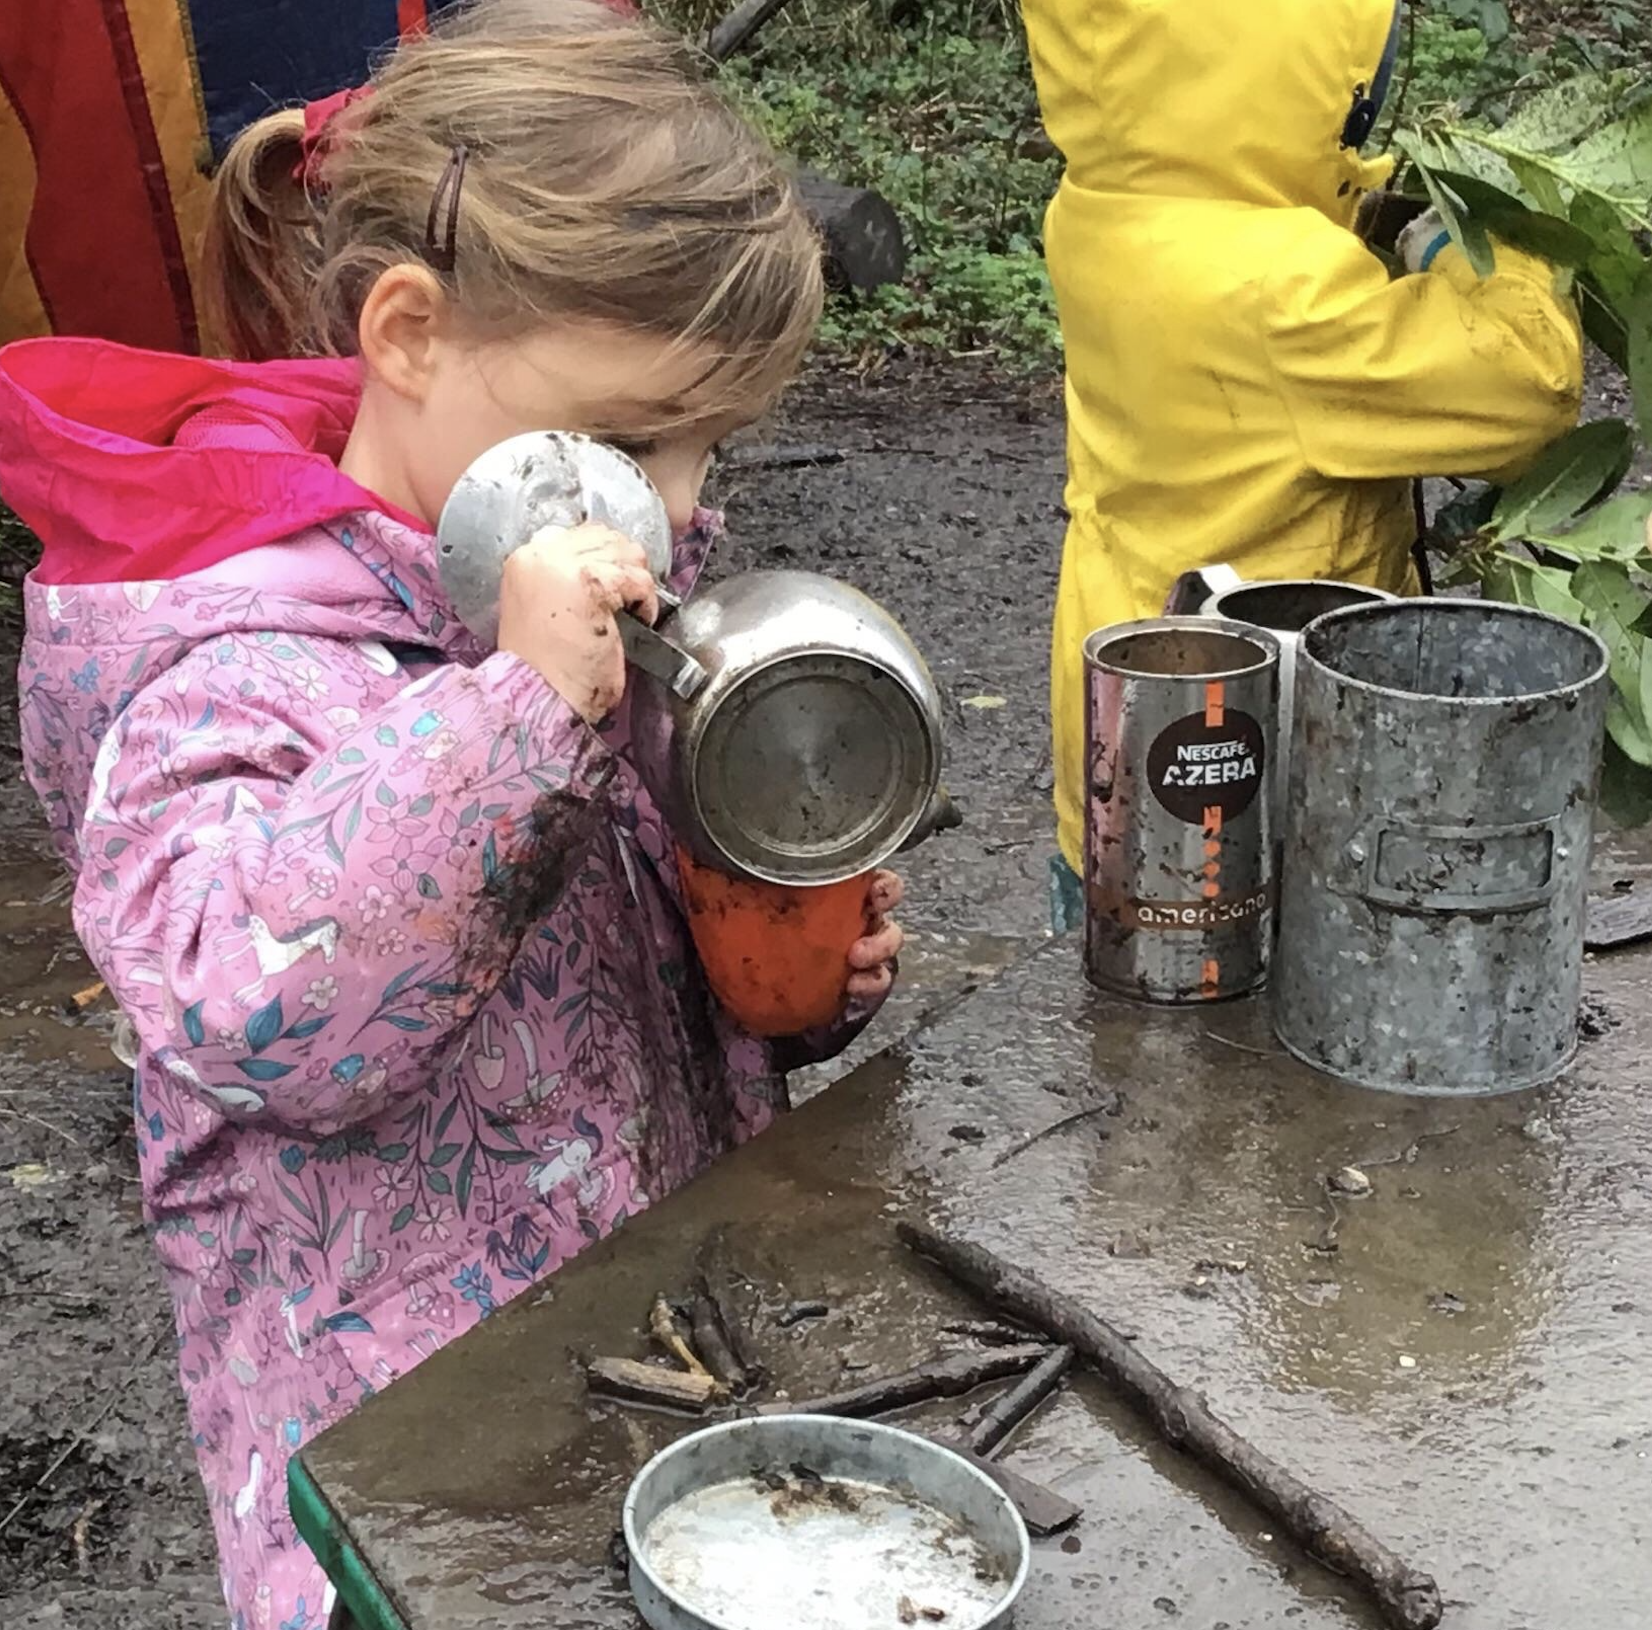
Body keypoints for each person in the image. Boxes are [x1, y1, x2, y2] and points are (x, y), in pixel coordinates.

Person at [0, 3, 903, 1624]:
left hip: (633, 1334)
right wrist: (509, 717)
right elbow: (256, 1025)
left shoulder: (591, 565)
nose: (679, 506)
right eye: (630, 441)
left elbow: (630, 901)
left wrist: (779, 965)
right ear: (407, 334)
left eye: (708, 448)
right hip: (394, 1448)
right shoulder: (216, 655)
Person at [1024, 0, 1585, 923]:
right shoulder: (1277, 287)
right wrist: (1471, 251)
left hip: (1128, 714)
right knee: (1257, 1022)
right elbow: (1527, 382)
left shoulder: (1104, 208)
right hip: (1250, 760)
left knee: (1117, 997)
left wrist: (1342, 202)